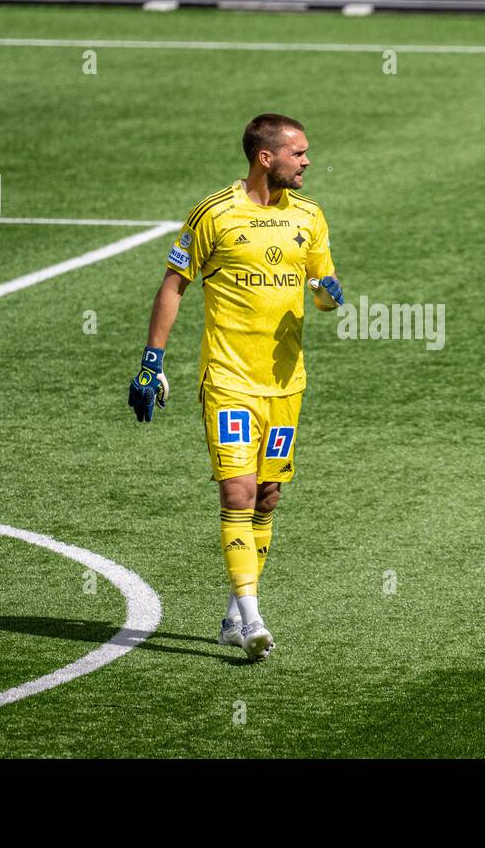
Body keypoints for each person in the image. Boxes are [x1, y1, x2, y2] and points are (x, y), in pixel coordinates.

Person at [128, 113, 344, 662]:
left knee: (269, 495)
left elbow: (323, 288)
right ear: (265, 158)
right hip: (228, 381)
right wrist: (152, 362)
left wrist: (327, 296)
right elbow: (174, 286)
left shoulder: (310, 218)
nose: (307, 161)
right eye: (298, 152)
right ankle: (251, 620)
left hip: (286, 384)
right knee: (237, 493)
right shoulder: (214, 214)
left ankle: (232, 612)